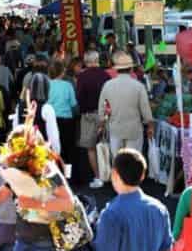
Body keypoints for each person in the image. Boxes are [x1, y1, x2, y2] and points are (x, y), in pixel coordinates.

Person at [98, 51, 155, 158]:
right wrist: (150, 126)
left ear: (116, 69)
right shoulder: (138, 86)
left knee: (117, 162)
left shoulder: (108, 85)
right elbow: (146, 110)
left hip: (115, 129)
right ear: (131, 69)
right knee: (134, 162)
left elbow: (101, 108)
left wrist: (101, 125)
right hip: (134, 129)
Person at [76, 50, 111, 189]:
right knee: (107, 145)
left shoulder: (82, 76)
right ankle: (109, 174)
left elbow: (79, 96)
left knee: (91, 148)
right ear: (97, 60)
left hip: (88, 115)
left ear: (86, 62)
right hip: (105, 115)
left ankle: (98, 177)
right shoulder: (105, 75)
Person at [15, 73, 61, 161]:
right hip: (41, 157)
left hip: (21, 155)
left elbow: (16, 129)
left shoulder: (19, 107)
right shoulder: (47, 109)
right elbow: (53, 138)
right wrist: (56, 155)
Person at [48, 60, 77, 175]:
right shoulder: (68, 85)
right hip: (67, 120)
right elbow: (73, 104)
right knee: (68, 150)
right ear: (62, 72)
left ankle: (55, 174)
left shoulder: (47, 85)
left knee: (53, 149)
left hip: (52, 121)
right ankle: (68, 175)